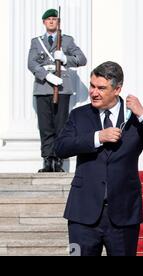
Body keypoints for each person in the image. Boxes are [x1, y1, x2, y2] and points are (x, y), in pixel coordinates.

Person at [55, 61, 143, 256]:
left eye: (101, 88)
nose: (93, 92)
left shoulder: (135, 119)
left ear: (117, 89)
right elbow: (61, 148)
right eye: (92, 86)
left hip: (124, 214)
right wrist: (97, 137)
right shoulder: (79, 115)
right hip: (83, 213)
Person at [28, 8, 87, 173]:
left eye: (55, 19)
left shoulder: (67, 41)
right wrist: (47, 76)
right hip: (42, 87)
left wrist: (66, 59)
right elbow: (31, 63)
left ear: (58, 22)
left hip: (61, 88)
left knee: (61, 125)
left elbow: (82, 59)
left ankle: (59, 160)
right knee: (45, 126)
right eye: (49, 19)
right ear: (44, 22)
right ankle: (47, 160)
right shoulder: (36, 42)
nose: (52, 21)